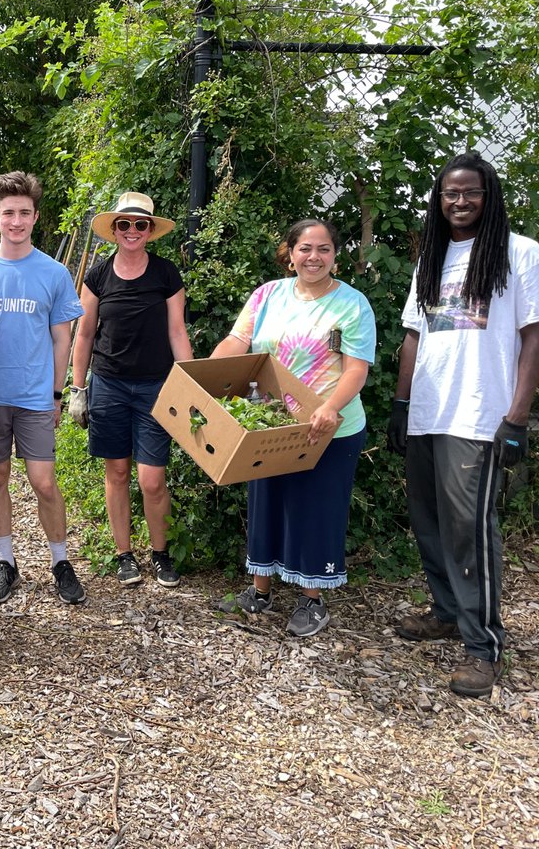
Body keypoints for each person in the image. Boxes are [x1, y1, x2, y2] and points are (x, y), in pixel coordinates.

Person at [388, 151, 539, 697]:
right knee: (427, 521)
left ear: (488, 194)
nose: (459, 201)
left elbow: (533, 336)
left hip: (478, 415)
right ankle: (447, 612)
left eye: (469, 192)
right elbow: (413, 336)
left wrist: (517, 417)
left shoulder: (519, 253)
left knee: (469, 533)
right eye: (450, 193)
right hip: (429, 411)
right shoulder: (433, 256)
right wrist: (403, 406)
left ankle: (484, 645)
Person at [210, 218, 376, 636]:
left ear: (335, 256)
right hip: (271, 424)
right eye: (305, 248)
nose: (314, 257)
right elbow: (237, 341)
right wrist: (209, 373)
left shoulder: (352, 305)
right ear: (290, 253)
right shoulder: (267, 295)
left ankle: (312, 599)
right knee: (266, 503)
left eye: (323, 249)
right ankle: (259, 591)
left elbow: (356, 370)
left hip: (329, 428)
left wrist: (331, 407)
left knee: (316, 509)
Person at [0, 171, 86, 606]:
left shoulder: (53, 273)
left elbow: (61, 338)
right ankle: (5, 562)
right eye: (9, 213)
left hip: (35, 397)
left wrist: (57, 393)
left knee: (44, 481)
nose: (16, 221)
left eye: (25, 213)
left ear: (36, 217)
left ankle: (60, 561)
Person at [69, 191, 192, 588]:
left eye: (141, 224)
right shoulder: (98, 275)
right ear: (115, 230)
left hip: (157, 386)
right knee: (117, 471)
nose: (132, 230)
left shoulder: (166, 274)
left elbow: (177, 331)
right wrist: (76, 388)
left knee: (152, 479)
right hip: (108, 384)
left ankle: (161, 554)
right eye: (125, 224)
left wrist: (191, 385)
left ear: (150, 230)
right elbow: (84, 333)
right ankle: (124, 554)